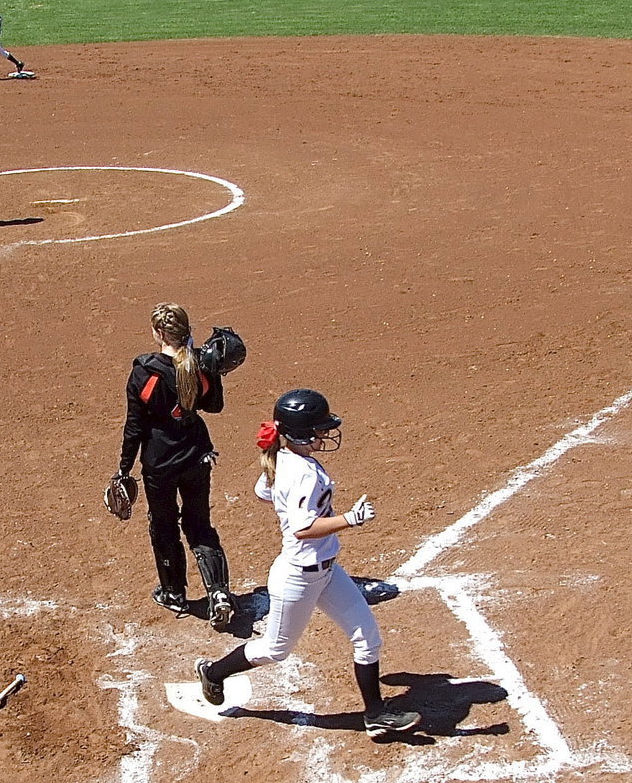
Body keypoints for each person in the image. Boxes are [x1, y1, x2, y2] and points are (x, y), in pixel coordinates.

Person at [194, 389, 422, 738]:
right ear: (301, 433)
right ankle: (213, 673)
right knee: (275, 650)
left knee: (367, 637)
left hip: (327, 572)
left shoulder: (283, 459)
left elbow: (263, 491)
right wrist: (350, 519)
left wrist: (287, 498)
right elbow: (302, 529)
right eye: (319, 428)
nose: (324, 433)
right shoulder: (303, 473)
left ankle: (375, 715)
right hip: (298, 578)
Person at [114, 303, 236, 630]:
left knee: (164, 526)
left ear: (158, 333)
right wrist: (213, 372)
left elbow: (135, 427)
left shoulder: (145, 372)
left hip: (160, 464)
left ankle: (173, 593)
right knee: (200, 525)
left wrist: (124, 468)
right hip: (197, 456)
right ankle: (219, 592)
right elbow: (214, 406)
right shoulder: (200, 364)